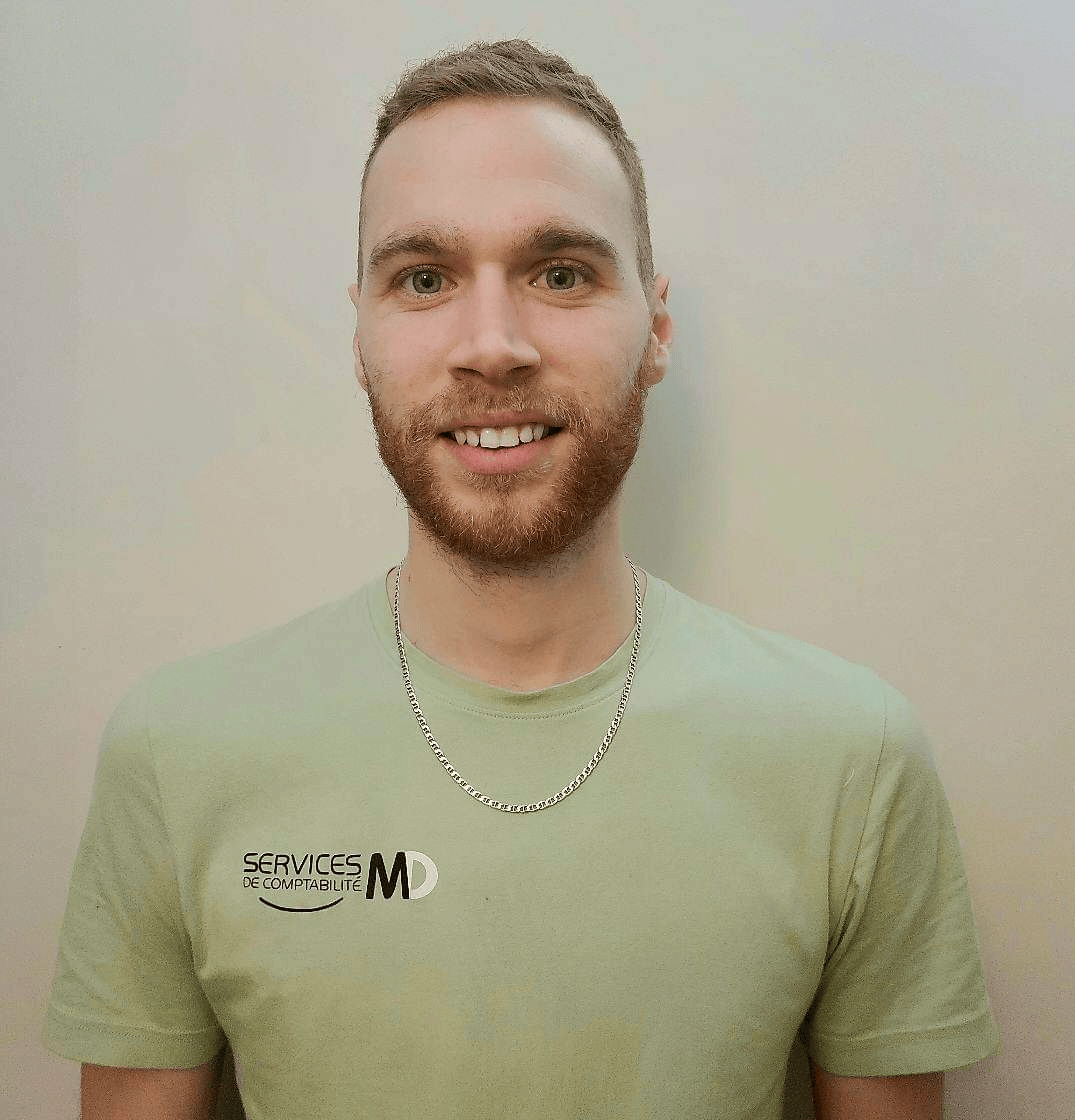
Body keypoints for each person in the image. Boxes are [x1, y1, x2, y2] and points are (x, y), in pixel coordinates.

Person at [45, 39, 999, 1120]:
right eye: (425, 278)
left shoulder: (849, 759)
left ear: (656, 328)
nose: (491, 345)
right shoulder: (179, 753)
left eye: (559, 273)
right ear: (360, 333)